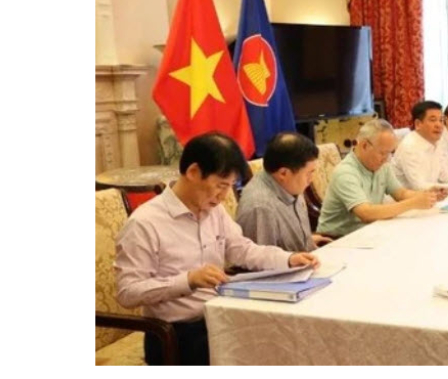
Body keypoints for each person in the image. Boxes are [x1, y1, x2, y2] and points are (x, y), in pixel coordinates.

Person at [115, 133, 319, 365]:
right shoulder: (145, 223)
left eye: (230, 186)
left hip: (220, 316)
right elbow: (128, 292)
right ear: (193, 172)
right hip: (176, 333)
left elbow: (243, 249)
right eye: (221, 186)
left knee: (289, 341)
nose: (223, 196)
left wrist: (289, 259)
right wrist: (188, 280)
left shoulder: (214, 210)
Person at [316, 119, 441, 238]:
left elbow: (401, 193)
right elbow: (366, 213)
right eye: (382, 153)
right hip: (337, 239)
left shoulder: (382, 165)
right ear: (364, 145)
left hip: (368, 231)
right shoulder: (345, 172)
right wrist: (412, 203)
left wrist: (427, 196)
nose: (386, 159)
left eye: (390, 153)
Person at [236, 132, 332, 252]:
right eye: (308, 173)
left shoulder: (288, 183)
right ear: (283, 173)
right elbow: (263, 260)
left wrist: (306, 240)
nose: (311, 179)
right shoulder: (260, 208)